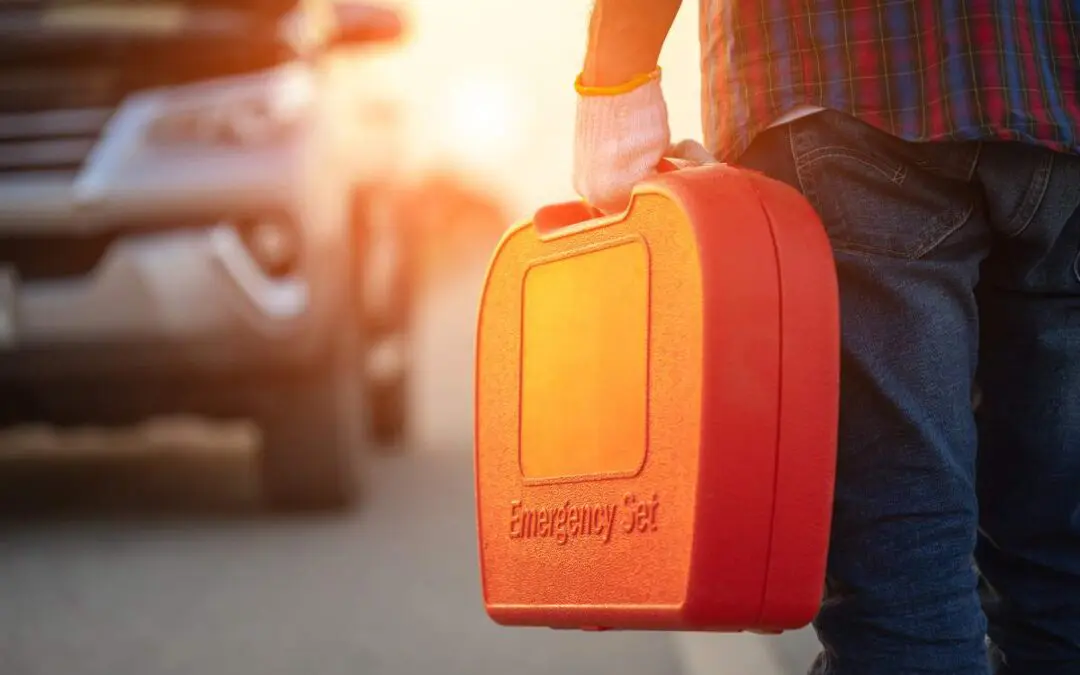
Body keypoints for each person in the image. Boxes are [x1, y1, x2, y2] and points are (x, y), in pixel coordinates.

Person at [573, 1, 1080, 673]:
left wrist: (616, 83)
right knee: (1060, 571)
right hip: (1058, 91)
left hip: (850, 81)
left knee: (906, 583)